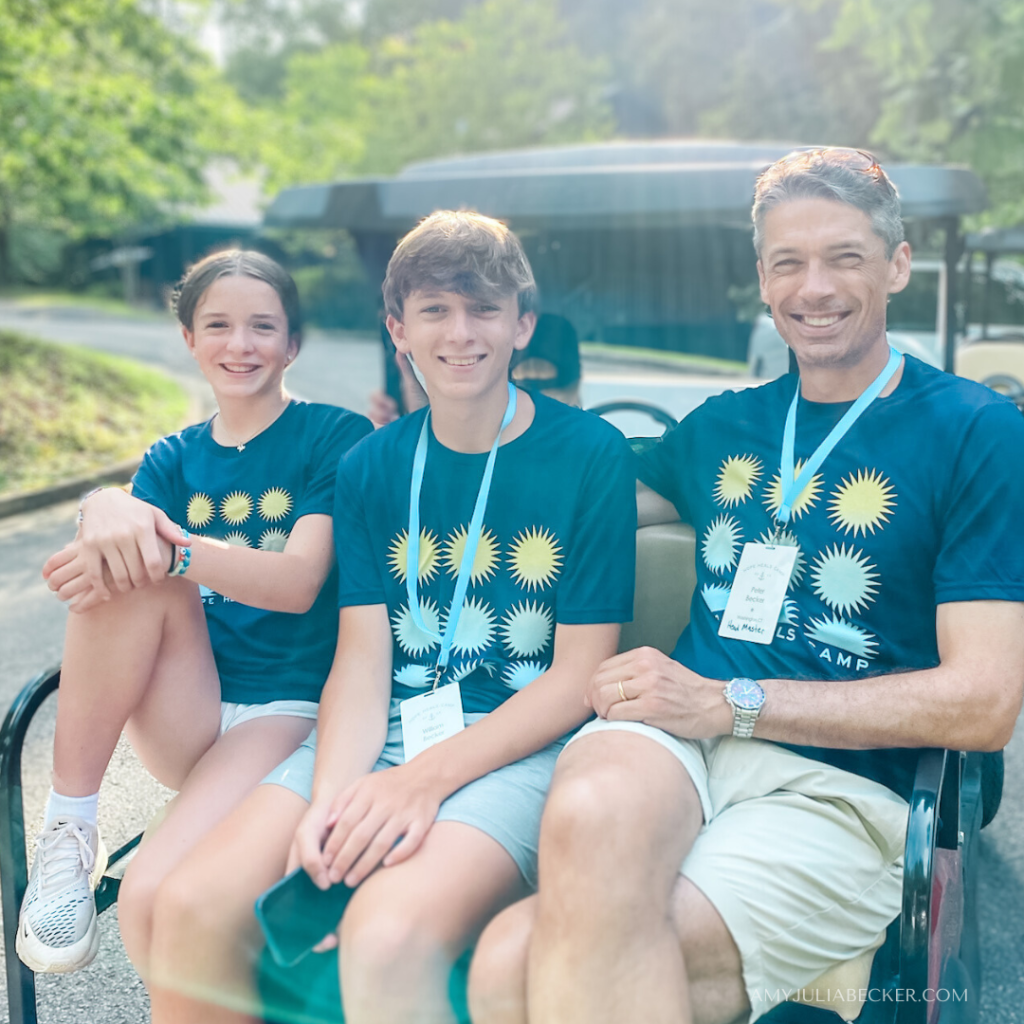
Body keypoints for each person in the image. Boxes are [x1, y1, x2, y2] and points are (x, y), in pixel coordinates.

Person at [468, 149, 1024, 1024]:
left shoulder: (977, 432)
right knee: (581, 826)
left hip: (836, 782)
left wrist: (733, 701)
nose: (816, 288)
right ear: (761, 280)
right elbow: (558, 494)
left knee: (509, 962)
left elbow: (985, 702)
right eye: (788, 263)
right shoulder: (724, 426)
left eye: (845, 257)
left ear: (898, 264)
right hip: (674, 737)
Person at [140, 210, 636, 1024]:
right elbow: (363, 663)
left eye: (483, 309)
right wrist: (335, 802)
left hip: (518, 746)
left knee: (386, 935)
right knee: (193, 908)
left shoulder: (591, 453)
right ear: (398, 330)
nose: (462, 333)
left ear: (523, 324)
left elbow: (579, 676)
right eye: (436, 311)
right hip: (377, 741)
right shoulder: (372, 461)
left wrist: (418, 784)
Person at [16, 250, 372, 976]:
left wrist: (163, 547)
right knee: (131, 569)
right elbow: (127, 551)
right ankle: (68, 831)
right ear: (189, 339)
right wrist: (104, 509)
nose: (239, 345)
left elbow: (299, 582)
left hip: (289, 708)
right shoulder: (173, 458)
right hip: (193, 705)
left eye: (262, 327)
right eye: (218, 325)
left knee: (153, 892)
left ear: (292, 344)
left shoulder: (334, 436)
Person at [367, 310, 582, 427]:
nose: (534, 400)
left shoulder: (594, 457)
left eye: (545, 384)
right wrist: (418, 430)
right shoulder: (474, 442)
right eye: (521, 386)